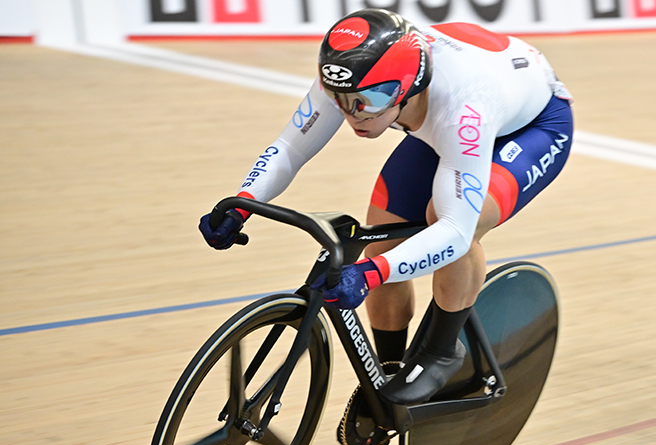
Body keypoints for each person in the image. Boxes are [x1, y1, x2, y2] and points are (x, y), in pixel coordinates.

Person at [199, 10, 573, 411]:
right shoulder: (355, 76)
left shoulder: (464, 109)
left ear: (409, 87)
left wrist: (368, 275)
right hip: (438, 119)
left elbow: (454, 230)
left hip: (532, 126)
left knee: (445, 219)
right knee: (384, 241)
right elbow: (291, 148)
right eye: (341, 101)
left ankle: (442, 351)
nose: (355, 113)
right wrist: (244, 203)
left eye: (370, 101)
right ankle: (390, 369)